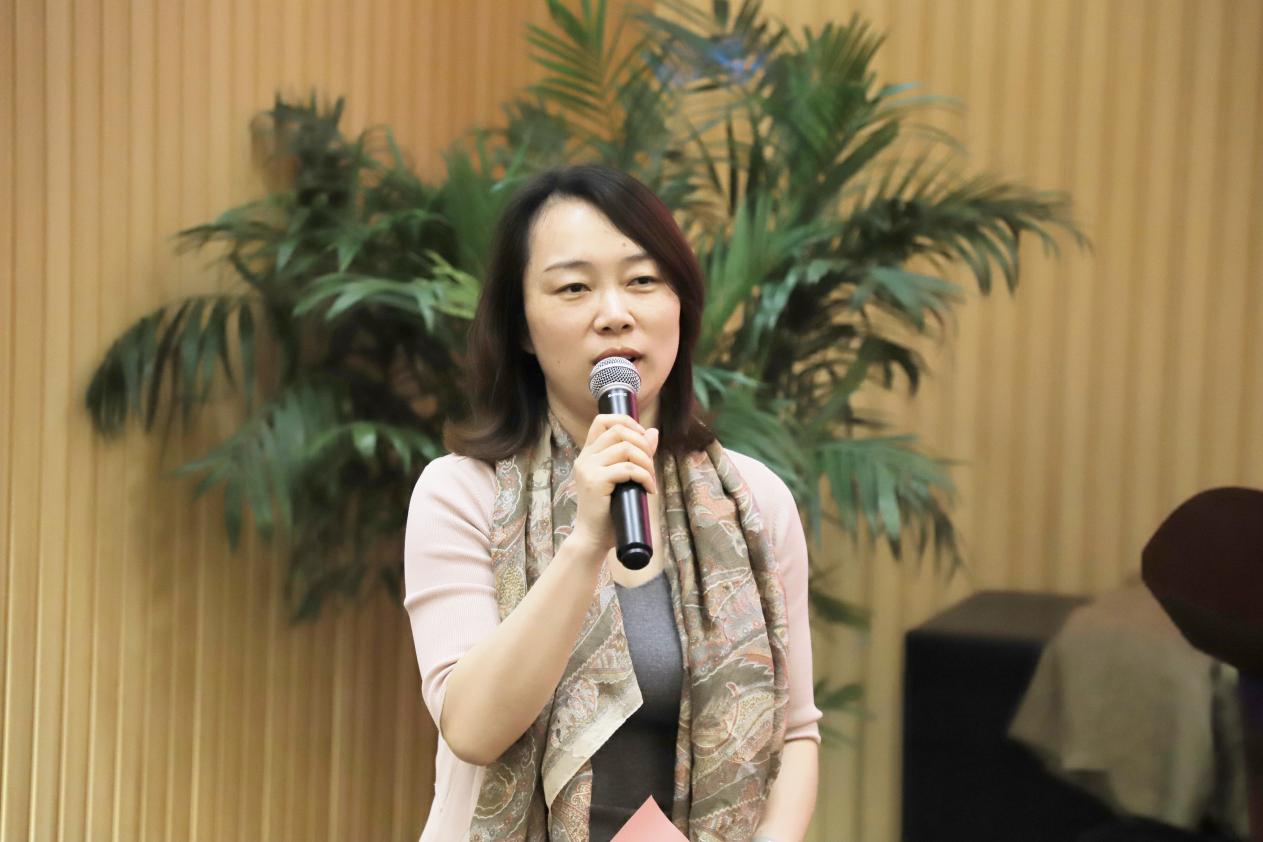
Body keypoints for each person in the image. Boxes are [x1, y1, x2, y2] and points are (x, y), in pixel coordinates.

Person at [403, 164, 822, 842]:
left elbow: (794, 731)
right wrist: (584, 545)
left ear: (680, 304)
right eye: (574, 287)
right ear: (521, 327)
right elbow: (473, 728)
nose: (615, 313)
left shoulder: (754, 504)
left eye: (642, 281)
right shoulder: (461, 495)